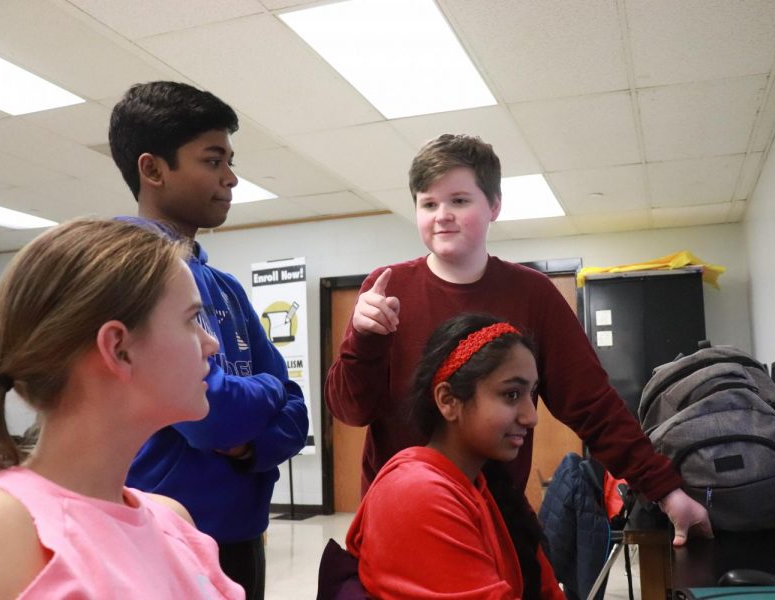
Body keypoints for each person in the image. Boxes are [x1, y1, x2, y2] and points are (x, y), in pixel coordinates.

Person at [325, 133, 712, 546]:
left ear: (493, 205)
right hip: (399, 516)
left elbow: (591, 404)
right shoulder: (387, 287)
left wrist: (666, 492)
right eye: (428, 203)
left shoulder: (532, 293)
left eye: (459, 200)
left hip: (491, 515)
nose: (442, 215)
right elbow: (351, 409)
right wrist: (363, 341)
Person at [109, 81, 309, 598]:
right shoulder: (131, 272)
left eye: (229, 160)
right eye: (213, 160)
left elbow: (297, 411)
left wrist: (245, 444)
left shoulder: (225, 286)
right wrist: (265, 394)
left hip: (243, 531)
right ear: (153, 169)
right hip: (167, 534)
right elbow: (207, 415)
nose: (231, 178)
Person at [0, 218, 243, 599]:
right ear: (119, 348)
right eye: (191, 320)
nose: (211, 343)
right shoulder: (0, 530)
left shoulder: (173, 521)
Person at [346, 313, 565, 599]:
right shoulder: (416, 493)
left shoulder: (486, 487)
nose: (532, 416)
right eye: (512, 394)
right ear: (448, 400)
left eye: (531, 393)